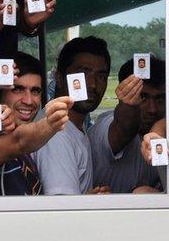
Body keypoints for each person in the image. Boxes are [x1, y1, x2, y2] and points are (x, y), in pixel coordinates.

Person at [0, 52, 70, 196]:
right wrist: (50, 123)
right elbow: (19, 141)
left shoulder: (27, 153)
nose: (29, 101)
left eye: (35, 91)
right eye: (17, 89)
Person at [34, 37, 112, 195]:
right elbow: (63, 207)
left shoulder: (73, 126)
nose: (93, 84)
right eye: (83, 74)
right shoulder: (56, 133)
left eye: (101, 76)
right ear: (60, 79)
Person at [88, 56, 166, 194]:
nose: (152, 109)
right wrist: (129, 105)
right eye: (143, 97)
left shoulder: (166, 130)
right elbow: (125, 127)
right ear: (124, 94)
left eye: (160, 99)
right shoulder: (107, 125)